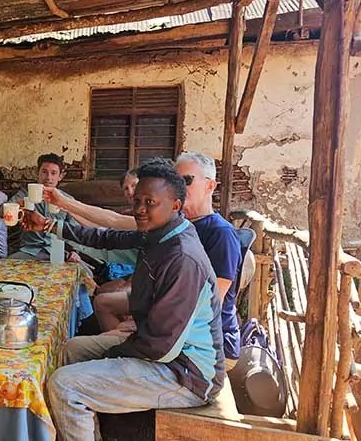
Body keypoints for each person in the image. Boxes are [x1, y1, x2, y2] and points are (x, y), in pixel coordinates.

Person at [21, 159, 224, 441]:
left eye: (150, 202)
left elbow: (160, 347)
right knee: (70, 350)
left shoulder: (182, 258)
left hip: (186, 374)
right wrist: (48, 226)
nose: (139, 209)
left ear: (175, 206)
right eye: (137, 200)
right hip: (161, 352)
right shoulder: (157, 235)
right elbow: (105, 239)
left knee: (65, 384)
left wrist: (109, 356)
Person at [175, 152, 243, 365]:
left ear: (210, 186)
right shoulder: (182, 225)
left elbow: (212, 304)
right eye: (175, 181)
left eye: (187, 180)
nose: (179, 187)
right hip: (182, 332)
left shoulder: (221, 234)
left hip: (212, 345)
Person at [7, 153, 81, 261]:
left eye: (53, 173)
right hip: (29, 251)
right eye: (44, 172)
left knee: (85, 274)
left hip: (58, 252)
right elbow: (2, 213)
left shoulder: (67, 200)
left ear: (60, 176)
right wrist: (18, 205)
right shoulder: (24, 194)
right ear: (38, 173)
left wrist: (74, 251)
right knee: (8, 268)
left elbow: (75, 230)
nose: (48, 177)